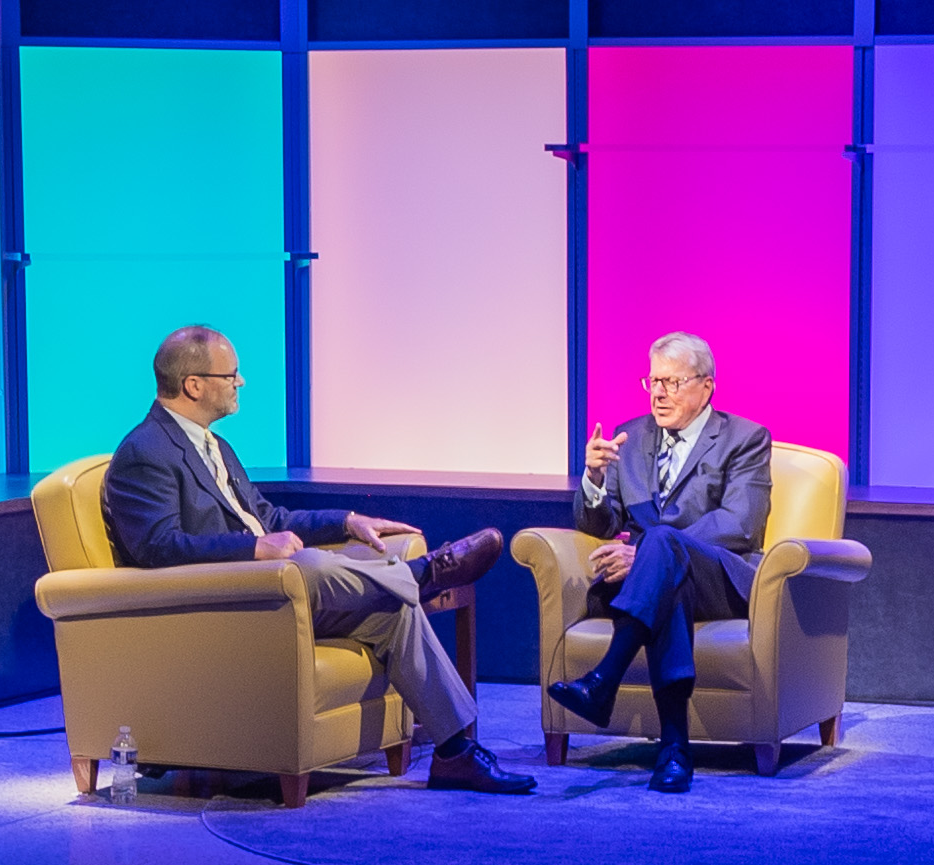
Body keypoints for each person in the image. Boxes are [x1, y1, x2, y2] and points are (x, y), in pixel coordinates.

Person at [97, 326, 530, 793]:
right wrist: (253, 548)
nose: (240, 382)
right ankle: (419, 575)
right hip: (225, 605)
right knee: (311, 566)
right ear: (194, 385)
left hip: (274, 596)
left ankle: (455, 753)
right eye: (231, 374)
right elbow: (158, 547)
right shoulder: (144, 452)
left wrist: (346, 521)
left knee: (394, 611)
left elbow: (268, 516)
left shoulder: (215, 446)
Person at [557, 331, 777, 792]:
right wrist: (594, 477)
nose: (659, 393)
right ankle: (675, 747)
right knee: (666, 586)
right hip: (657, 586)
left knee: (661, 543)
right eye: (653, 381)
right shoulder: (630, 437)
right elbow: (600, 523)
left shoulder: (745, 439)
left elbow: (740, 524)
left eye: (673, 383)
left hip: (719, 577)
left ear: (706, 387)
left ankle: (604, 678)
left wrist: (645, 553)